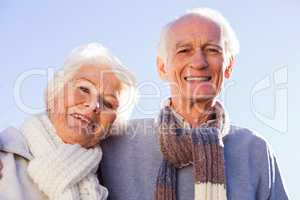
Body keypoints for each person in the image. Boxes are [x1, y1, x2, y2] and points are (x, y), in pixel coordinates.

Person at [99, 8, 289, 199]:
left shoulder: (255, 151)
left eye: (212, 50)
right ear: (162, 67)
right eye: (184, 50)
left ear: (229, 66)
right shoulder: (116, 143)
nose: (198, 62)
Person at [0, 43, 136, 200]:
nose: (93, 106)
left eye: (108, 103)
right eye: (84, 89)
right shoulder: (5, 154)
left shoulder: (107, 185)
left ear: (113, 125)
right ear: (56, 92)